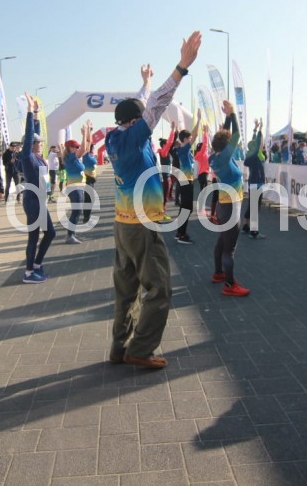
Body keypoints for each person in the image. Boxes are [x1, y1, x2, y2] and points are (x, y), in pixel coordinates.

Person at [105, 32, 201, 369]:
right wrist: (181, 67)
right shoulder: (135, 137)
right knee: (159, 289)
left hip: (122, 226)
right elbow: (157, 103)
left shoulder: (116, 137)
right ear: (135, 123)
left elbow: (142, 103)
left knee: (126, 290)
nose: (149, 121)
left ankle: (119, 346)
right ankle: (141, 349)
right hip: (143, 227)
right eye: (142, 119)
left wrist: (144, 83)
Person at [209, 100, 250, 297]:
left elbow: (223, 138)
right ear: (227, 147)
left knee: (222, 242)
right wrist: (232, 114)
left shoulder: (214, 157)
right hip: (231, 209)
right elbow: (236, 136)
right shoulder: (224, 157)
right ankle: (229, 284)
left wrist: (227, 118)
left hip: (223, 207)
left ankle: (218, 273)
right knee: (229, 249)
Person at [20, 96, 56, 283]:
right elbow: (30, 135)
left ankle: (36, 264)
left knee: (50, 233)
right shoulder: (27, 157)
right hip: (32, 201)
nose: (41, 143)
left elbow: (36, 132)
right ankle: (28, 272)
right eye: (38, 142)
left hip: (40, 200)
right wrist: (28, 112)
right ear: (31, 144)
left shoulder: (39, 157)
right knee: (33, 237)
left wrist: (36, 112)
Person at [174, 116, 201, 244]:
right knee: (186, 208)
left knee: (185, 207)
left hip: (186, 180)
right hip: (185, 181)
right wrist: (198, 119)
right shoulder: (183, 150)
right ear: (185, 139)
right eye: (189, 139)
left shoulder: (184, 150)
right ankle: (181, 235)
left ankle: (180, 232)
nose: (191, 140)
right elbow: (195, 135)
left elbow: (193, 136)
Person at [63, 123, 91, 244]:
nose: (77, 148)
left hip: (79, 187)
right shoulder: (70, 157)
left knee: (77, 211)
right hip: (74, 188)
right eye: (75, 147)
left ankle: (71, 234)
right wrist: (84, 134)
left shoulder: (75, 158)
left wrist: (88, 131)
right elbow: (84, 149)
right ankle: (70, 235)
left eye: (77, 146)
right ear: (69, 148)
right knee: (76, 211)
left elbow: (87, 149)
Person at [242, 119, 267, 239]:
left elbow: (254, 143)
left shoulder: (250, 155)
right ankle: (254, 231)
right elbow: (256, 144)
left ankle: (245, 226)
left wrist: (255, 129)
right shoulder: (254, 155)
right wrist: (260, 129)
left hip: (253, 183)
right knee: (255, 208)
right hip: (257, 184)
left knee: (251, 206)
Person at [82, 142, 98, 224]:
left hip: (91, 180)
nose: (94, 149)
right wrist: (86, 136)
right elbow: (87, 143)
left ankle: (87, 216)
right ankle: (86, 218)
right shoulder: (86, 155)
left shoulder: (91, 156)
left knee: (90, 199)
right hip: (87, 179)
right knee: (88, 199)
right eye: (93, 147)